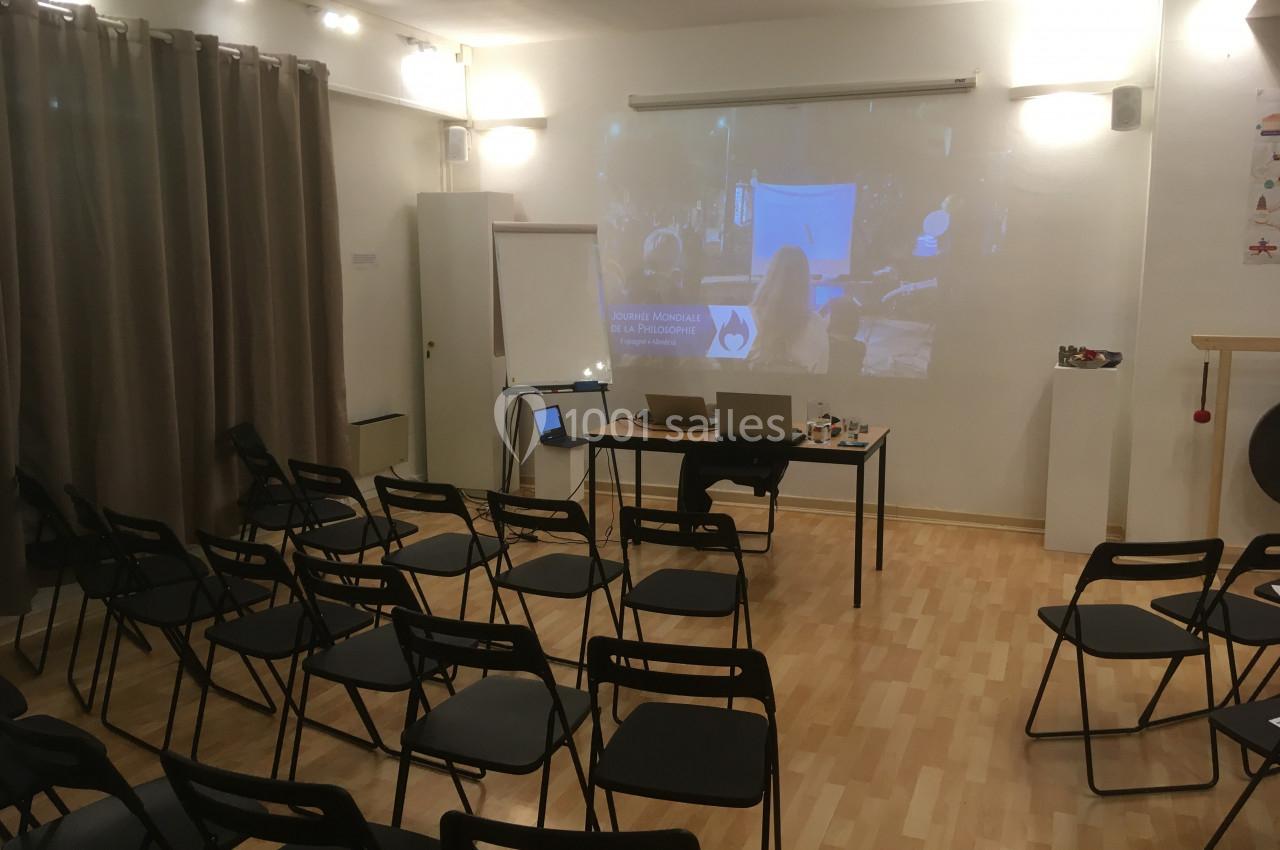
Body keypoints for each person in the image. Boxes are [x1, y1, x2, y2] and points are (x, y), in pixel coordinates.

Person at [746, 245, 829, 373]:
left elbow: (732, 373)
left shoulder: (747, 318)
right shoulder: (816, 324)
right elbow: (821, 374)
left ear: (770, 275)